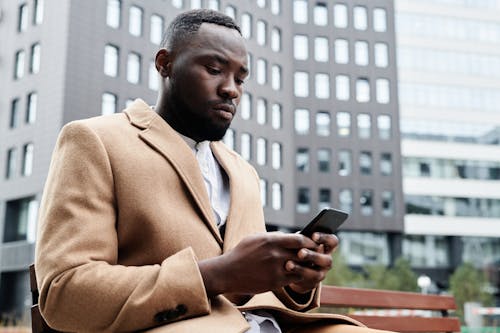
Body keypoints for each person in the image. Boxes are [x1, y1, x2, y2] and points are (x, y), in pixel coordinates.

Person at [35, 9, 393, 333]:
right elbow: (66, 293)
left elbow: (248, 288)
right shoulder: (94, 140)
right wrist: (216, 274)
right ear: (165, 64)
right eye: (214, 69)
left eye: (240, 78)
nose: (231, 89)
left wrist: (296, 280)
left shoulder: (243, 171)